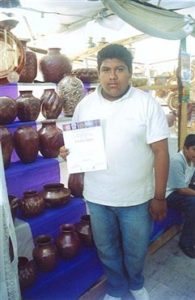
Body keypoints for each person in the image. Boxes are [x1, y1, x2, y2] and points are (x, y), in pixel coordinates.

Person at [61, 44, 169, 300]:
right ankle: (117, 288)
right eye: (106, 69)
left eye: (119, 69)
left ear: (129, 73)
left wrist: (159, 196)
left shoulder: (146, 104)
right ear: (98, 73)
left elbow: (161, 152)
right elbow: (76, 145)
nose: (113, 76)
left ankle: (136, 283)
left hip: (136, 198)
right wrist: (67, 153)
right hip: (98, 197)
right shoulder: (85, 106)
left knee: (136, 249)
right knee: (106, 248)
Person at [166, 134, 195, 258]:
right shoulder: (177, 160)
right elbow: (181, 189)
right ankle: (186, 243)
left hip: (182, 187)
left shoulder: (192, 159)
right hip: (169, 193)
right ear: (185, 148)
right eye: (194, 149)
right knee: (193, 204)